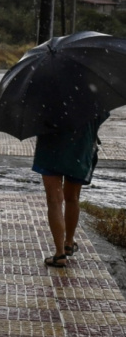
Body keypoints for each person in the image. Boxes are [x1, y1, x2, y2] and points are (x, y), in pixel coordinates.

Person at [32, 111, 109, 268]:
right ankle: (69, 241)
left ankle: (60, 254)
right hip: (81, 145)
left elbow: (35, 119)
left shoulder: (45, 93)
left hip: (50, 146)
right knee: (72, 197)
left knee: (54, 200)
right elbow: (101, 115)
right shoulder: (90, 92)